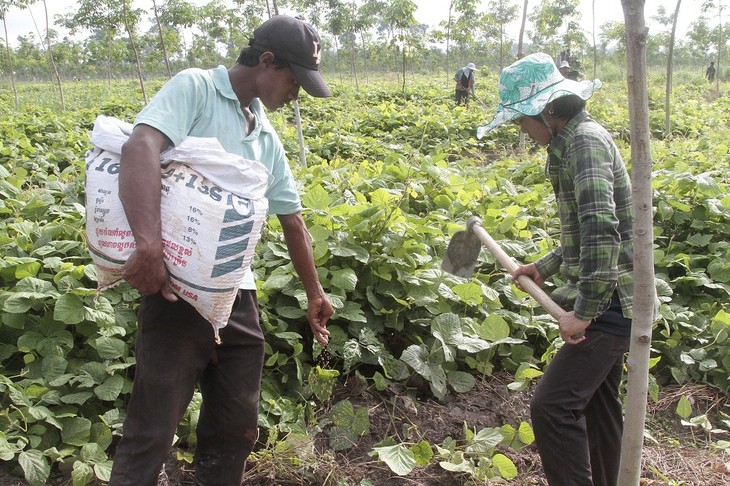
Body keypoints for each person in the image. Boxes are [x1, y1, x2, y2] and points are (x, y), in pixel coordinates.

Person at [108, 15, 334, 486]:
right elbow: (141, 147)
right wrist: (148, 247)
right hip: (175, 288)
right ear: (267, 62)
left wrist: (314, 292)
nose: (296, 94)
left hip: (236, 293)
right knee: (154, 425)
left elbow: (291, 218)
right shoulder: (195, 88)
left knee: (237, 423)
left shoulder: (264, 132)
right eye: (294, 81)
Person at [477, 52, 634, 486]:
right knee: (600, 406)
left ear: (548, 111)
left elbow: (602, 229)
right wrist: (544, 266)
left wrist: (584, 311)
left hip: (612, 298)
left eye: (522, 121)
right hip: (610, 292)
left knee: (552, 405)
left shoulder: (584, 144)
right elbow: (583, 230)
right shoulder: (570, 142)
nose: (522, 131)